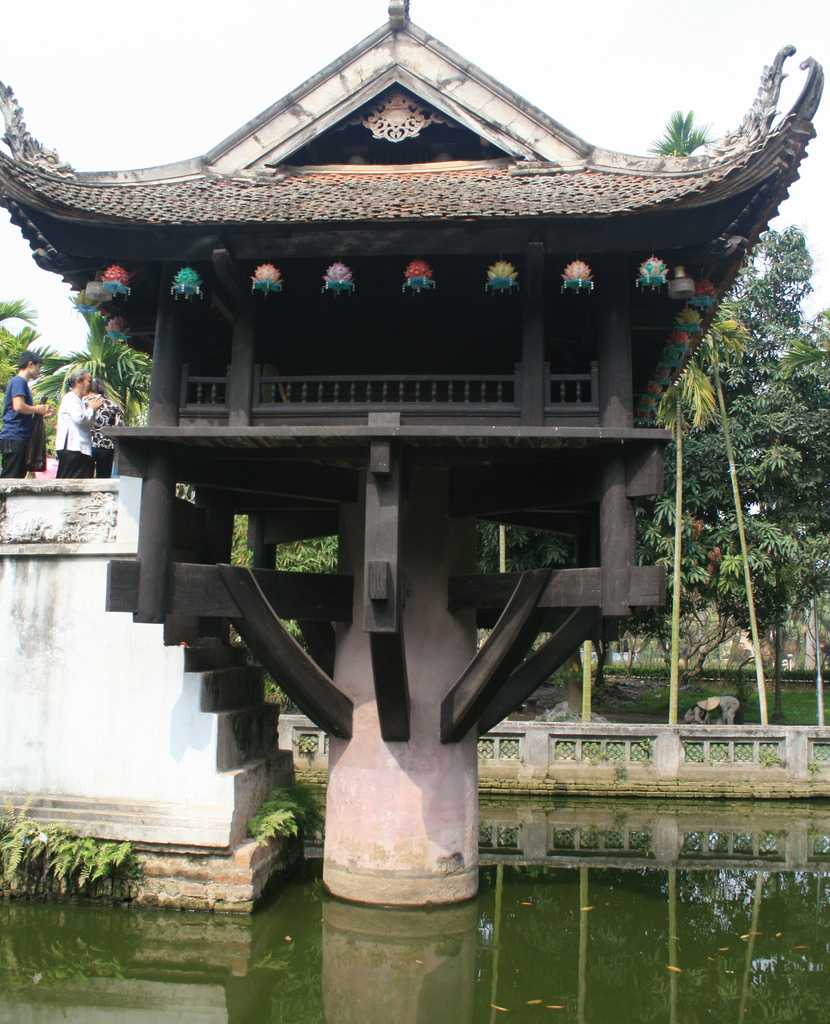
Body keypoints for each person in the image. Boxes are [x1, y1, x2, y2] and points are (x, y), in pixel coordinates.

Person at [0, 350, 53, 478]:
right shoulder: (19, 382)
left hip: (19, 437)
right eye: (38, 367)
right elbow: (18, 406)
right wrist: (37, 409)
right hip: (14, 436)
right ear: (30, 364)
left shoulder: (21, 383)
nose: (39, 371)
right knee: (11, 478)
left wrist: (40, 413)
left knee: (17, 476)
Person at [55, 370, 103, 479]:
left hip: (80, 449)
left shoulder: (79, 400)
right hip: (72, 448)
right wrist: (91, 408)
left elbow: (89, 423)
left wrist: (93, 409)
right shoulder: (70, 398)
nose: (91, 385)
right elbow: (80, 419)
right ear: (78, 382)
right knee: (69, 483)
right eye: (89, 381)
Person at [85, 378, 123, 478]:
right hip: (107, 446)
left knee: (85, 477)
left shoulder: (83, 402)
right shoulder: (113, 404)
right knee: (103, 478)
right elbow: (120, 426)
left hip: (86, 445)